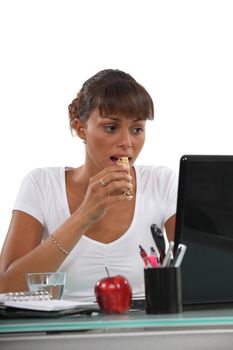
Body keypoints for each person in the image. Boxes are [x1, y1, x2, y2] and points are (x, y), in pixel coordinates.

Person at [0, 69, 177, 301]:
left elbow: (200, 277)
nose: (127, 143)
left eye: (137, 129)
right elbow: (6, 287)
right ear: (81, 128)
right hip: (64, 331)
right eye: (111, 127)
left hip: (147, 327)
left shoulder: (162, 183)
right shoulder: (40, 184)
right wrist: (84, 215)